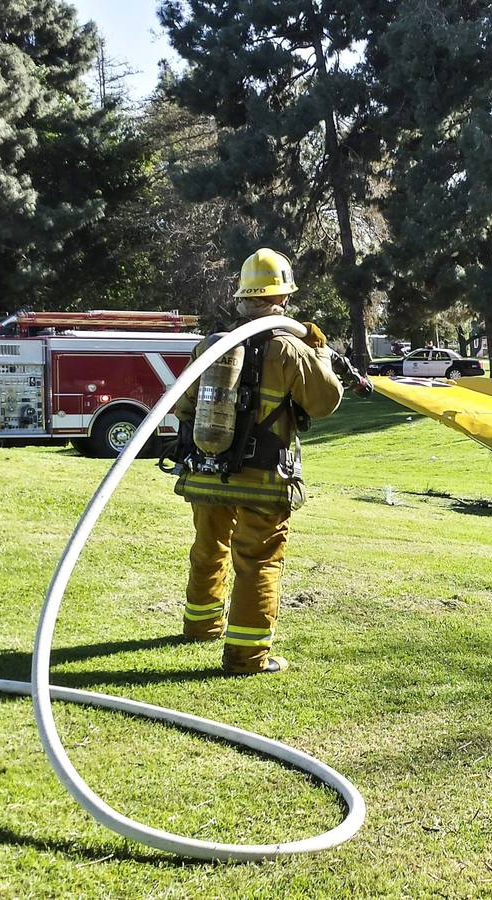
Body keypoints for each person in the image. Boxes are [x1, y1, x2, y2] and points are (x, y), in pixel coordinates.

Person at [170, 248, 344, 675]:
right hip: (264, 477)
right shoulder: (289, 348)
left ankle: (201, 624)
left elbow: (181, 407)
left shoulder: (211, 346)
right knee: (259, 559)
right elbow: (325, 402)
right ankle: (247, 657)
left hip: (207, 472)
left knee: (208, 546)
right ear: (282, 299)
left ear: (243, 297)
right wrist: (318, 353)